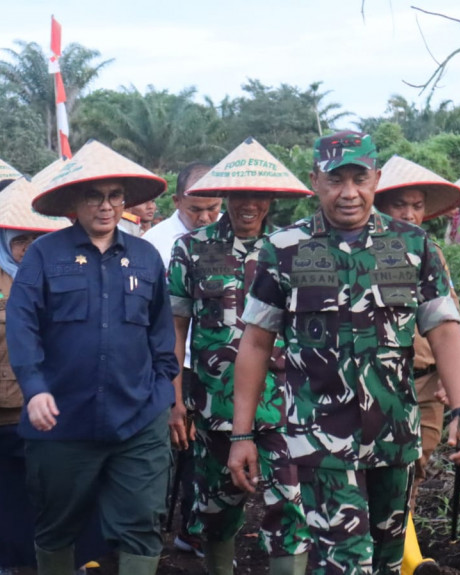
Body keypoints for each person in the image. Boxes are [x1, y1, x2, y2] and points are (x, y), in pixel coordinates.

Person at [228, 131, 460, 575]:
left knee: (386, 560)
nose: (349, 192)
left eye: (359, 178)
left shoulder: (412, 246)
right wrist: (242, 434)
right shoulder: (284, 249)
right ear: (315, 182)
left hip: (394, 432)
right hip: (320, 436)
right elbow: (254, 342)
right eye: (335, 179)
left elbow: (443, 330)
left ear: (376, 179)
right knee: (345, 564)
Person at [8, 140, 179, 575]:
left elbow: (162, 333)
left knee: (143, 522)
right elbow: (22, 325)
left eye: (115, 196)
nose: (106, 207)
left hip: (138, 419)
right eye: (94, 196)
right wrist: (35, 389)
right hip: (61, 419)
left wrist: (161, 391)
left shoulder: (144, 256)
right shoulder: (46, 255)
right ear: (74, 203)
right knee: (55, 525)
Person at [170, 138, 313, 575]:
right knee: (215, 511)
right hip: (214, 405)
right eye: (238, 195)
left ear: (271, 199)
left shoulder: (295, 250)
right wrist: (174, 399)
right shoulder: (191, 249)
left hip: (283, 406)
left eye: (258, 195)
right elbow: (175, 330)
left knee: (290, 509)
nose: (247, 204)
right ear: (225, 196)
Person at [0, 178, 72, 574]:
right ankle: (3, 562)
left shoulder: (64, 276)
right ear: (6, 240)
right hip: (2, 410)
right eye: (20, 239)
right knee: (5, 495)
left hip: (55, 409)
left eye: (36, 238)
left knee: (56, 491)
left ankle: (58, 560)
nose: (28, 248)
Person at [373, 155, 460, 575]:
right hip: (379, 382)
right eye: (399, 205)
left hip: (427, 385)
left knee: (417, 466)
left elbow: (448, 325)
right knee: (383, 472)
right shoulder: (361, 252)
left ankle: (399, 555)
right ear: (380, 205)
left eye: (416, 205)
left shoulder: (431, 253)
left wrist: (455, 384)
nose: (409, 214)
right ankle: (400, 561)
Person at [141, 161, 222, 556]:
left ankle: (194, 529)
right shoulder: (157, 243)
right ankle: (149, 530)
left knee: (207, 449)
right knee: (169, 446)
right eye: (196, 209)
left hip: (217, 364)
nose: (205, 217)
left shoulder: (226, 240)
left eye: (213, 208)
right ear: (176, 201)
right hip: (172, 362)